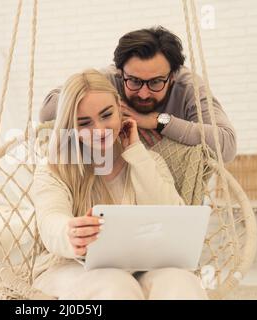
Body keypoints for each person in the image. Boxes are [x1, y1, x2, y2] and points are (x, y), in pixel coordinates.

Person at [31, 69, 208, 300]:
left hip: (142, 266)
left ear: (119, 107)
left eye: (106, 115)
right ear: (70, 127)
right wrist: (70, 233)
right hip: (71, 266)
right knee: (115, 286)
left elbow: (172, 213)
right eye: (85, 123)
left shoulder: (147, 160)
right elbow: (50, 219)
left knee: (182, 283)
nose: (100, 130)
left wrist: (135, 153)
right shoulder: (55, 168)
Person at [39, 26, 236, 162]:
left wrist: (157, 121)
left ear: (173, 76)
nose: (143, 94)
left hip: (176, 197)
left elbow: (226, 144)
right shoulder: (110, 78)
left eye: (156, 82)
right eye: (134, 81)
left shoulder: (188, 86)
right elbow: (47, 111)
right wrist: (108, 107)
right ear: (120, 72)